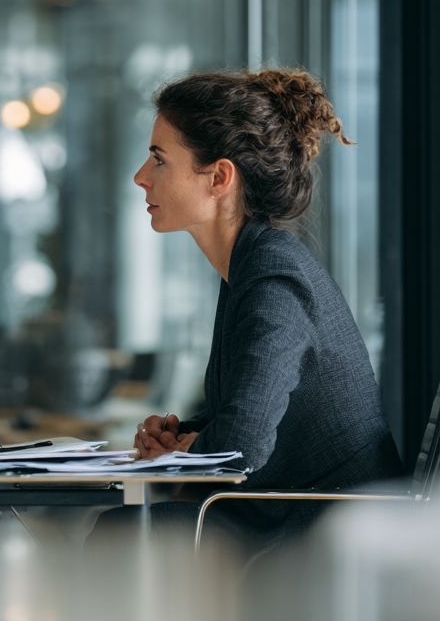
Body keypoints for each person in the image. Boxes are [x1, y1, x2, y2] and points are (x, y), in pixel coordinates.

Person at [91, 69, 402, 545]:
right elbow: (247, 416)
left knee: (122, 534)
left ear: (219, 177)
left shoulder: (273, 278)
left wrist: (186, 449)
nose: (140, 177)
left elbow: (241, 449)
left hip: (331, 532)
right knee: (124, 528)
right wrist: (183, 438)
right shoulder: (250, 266)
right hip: (293, 512)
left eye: (159, 160)